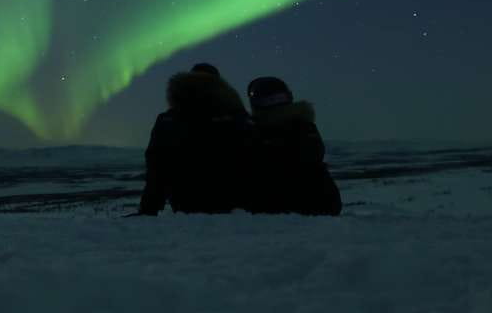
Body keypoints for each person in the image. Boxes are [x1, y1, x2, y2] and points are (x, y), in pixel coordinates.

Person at [137, 63, 255, 215]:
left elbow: (158, 168)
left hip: (187, 206)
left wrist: (148, 209)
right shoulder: (237, 117)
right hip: (232, 207)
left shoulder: (169, 120)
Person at [246, 76, 342, 216]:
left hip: (290, 206)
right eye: (269, 100)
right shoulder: (304, 125)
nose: (275, 105)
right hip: (322, 204)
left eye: (278, 98)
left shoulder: (300, 128)